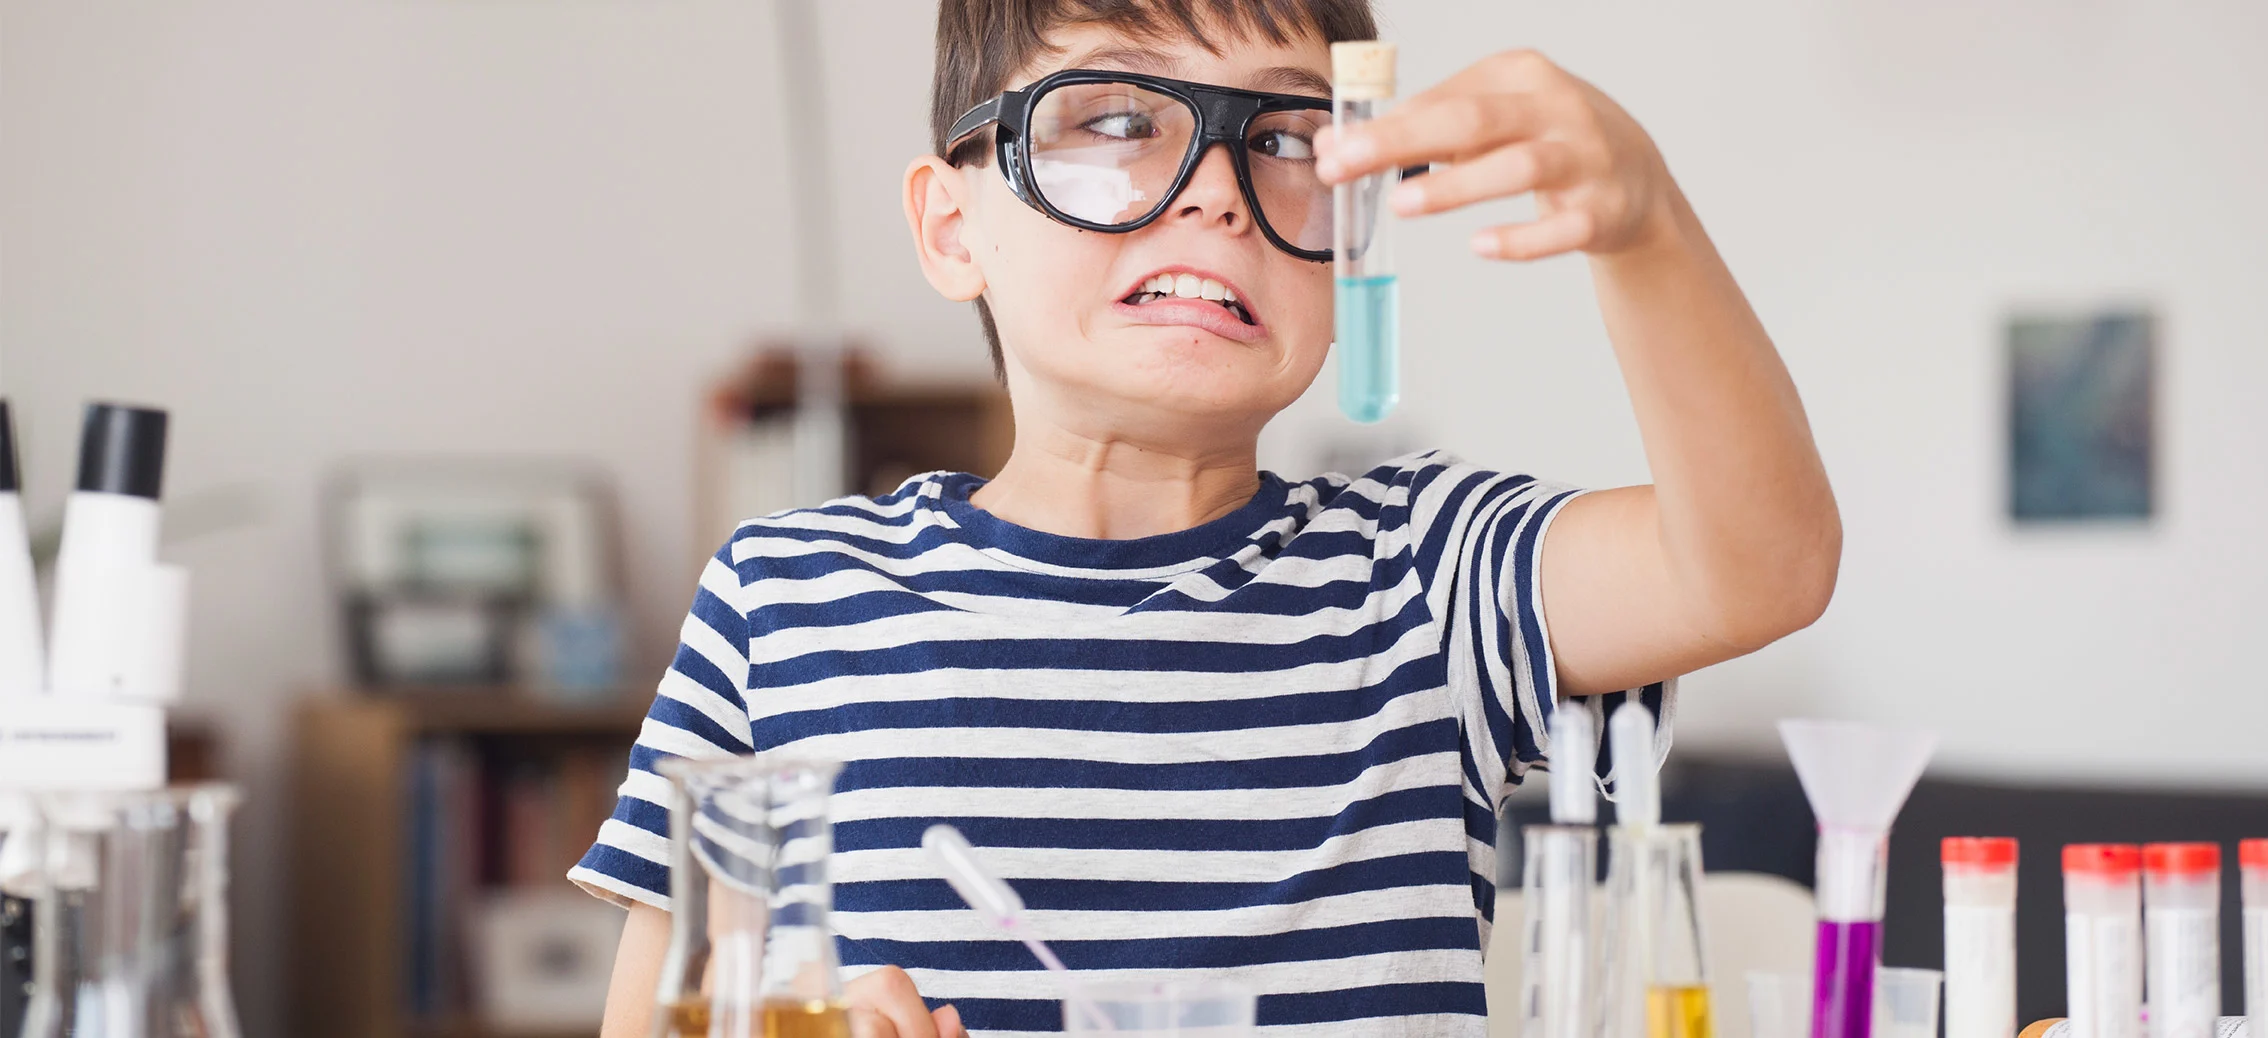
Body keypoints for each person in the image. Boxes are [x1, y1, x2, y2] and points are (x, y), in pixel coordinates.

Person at [574, 1, 1839, 1035]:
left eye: (1288, 139)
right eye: (1119, 120)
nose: (1221, 193)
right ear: (954, 227)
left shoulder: (1428, 573)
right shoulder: (783, 601)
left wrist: (1648, 229)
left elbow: (1759, 566)